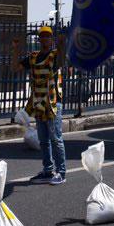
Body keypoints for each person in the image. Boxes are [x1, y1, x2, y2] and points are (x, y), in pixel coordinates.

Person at [11, 25, 67, 185]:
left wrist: (62, 44)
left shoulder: (55, 55)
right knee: (43, 139)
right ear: (39, 39)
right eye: (42, 36)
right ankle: (48, 170)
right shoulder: (33, 57)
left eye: (47, 36)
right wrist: (15, 49)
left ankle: (61, 172)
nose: (44, 39)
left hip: (53, 102)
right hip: (38, 102)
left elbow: (62, 62)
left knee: (56, 138)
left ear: (51, 39)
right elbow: (15, 68)